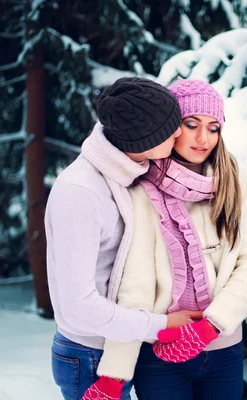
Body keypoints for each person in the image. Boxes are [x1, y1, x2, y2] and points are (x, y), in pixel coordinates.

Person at [84, 79, 247, 400]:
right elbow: (135, 285)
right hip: (160, 353)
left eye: (213, 128)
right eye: (191, 124)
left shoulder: (235, 182)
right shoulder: (140, 189)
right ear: (171, 128)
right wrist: (115, 373)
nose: (202, 138)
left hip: (222, 348)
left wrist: (210, 327)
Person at [45, 77, 203, 400]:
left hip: (117, 347)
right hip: (89, 356)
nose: (178, 133)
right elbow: (78, 307)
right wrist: (160, 324)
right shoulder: (82, 192)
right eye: (169, 128)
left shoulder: (125, 174)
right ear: (142, 139)